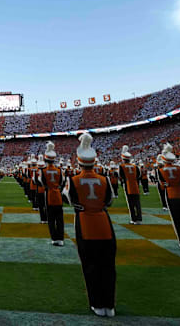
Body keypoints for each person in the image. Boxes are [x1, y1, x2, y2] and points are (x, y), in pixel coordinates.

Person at [62, 133, 116, 317]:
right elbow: (109, 202)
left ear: (79, 162)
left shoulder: (72, 180)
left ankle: (97, 304)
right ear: (94, 162)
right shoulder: (104, 179)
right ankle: (109, 305)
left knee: (90, 265)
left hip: (85, 223)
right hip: (104, 223)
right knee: (108, 265)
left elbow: (70, 200)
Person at [38, 142, 65, 245]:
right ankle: (61, 239)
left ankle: (54, 238)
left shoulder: (43, 171)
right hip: (58, 194)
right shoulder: (59, 170)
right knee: (60, 219)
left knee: (51, 218)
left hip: (48, 194)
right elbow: (62, 182)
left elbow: (42, 182)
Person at [118, 146, 142, 225]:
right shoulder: (135, 166)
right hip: (135, 185)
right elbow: (139, 175)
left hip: (127, 185)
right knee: (137, 203)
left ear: (123, 159)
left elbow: (121, 176)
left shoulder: (122, 166)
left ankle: (133, 219)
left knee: (130, 203)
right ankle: (139, 219)